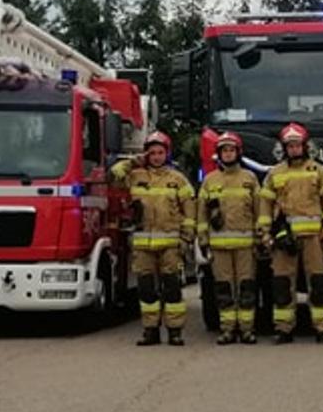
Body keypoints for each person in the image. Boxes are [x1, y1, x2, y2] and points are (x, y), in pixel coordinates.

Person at [112, 131, 196, 346]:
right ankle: (150, 330)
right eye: (152, 153)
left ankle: (175, 331)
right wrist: (132, 163)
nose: (157, 157)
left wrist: (186, 239)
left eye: (160, 152)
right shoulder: (135, 176)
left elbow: (190, 210)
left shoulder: (177, 180)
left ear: (167, 154)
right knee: (146, 290)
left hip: (170, 245)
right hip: (143, 245)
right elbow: (113, 176)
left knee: (172, 290)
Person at [260, 123, 323, 344]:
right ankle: (284, 329)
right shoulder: (274, 174)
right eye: (290, 146)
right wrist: (266, 233)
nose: (294, 149)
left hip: (314, 238)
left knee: (319, 283)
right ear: (285, 148)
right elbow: (265, 205)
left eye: (297, 145)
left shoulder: (318, 171)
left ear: (304, 146)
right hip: (285, 239)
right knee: (283, 284)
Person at [199, 132, 262, 345]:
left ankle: (246, 330)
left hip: (246, 246)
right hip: (219, 246)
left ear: (238, 153)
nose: (228, 154)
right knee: (224, 288)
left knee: (246, 288)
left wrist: (261, 237)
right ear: (219, 154)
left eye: (231, 150)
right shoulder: (209, 181)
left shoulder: (250, 179)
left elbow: (259, 211)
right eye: (224, 150)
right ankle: (227, 330)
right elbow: (202, 214)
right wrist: (203, 239)